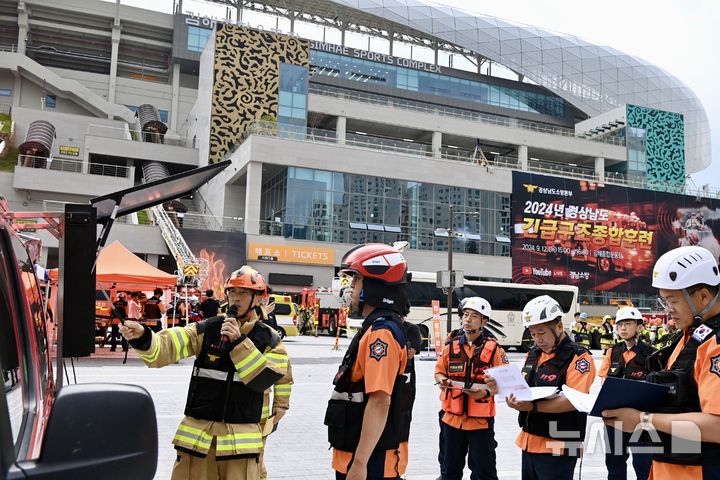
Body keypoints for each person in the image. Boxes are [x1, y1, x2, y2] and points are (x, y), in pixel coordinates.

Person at [120, 266, 291, 480]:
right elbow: (167, 347)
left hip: (241, 447)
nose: (235, 298)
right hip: (199, 444)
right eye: (232, 292)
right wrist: (144, 336)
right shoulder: (208, 329)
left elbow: (265, 378)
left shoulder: (271, 340)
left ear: (257, 299)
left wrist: (239, 344)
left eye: (243, 293)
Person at [602, 246, 720, 479]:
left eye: (672, 301)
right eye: (664, 301)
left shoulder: (715, 343)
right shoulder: (689, 336)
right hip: (668, 465)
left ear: (703, 296)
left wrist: (642, 420)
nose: (667, 310)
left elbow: (716, 427)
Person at [325, 243, 412, 480]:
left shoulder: (381, 334)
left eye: (356, 282)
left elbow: (380, 400)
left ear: (373, 286)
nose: (351, 289)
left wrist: (360, 463)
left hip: (370, 462)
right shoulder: (376, 328)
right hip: (359, 455)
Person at [505, 295, 596, 480]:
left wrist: (532, 407)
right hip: (529, 441)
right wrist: (511, 396)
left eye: (542, 332)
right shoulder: (533, 355)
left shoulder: (579, 357)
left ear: (559, 327)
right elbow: (525, 389)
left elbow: (574, 401)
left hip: (560, 445)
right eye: (532, 333)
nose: (537, 339)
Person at [434, 296, 507, 480]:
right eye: (465, 314)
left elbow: (504, 383)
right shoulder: (451, 345)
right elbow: (438, 372)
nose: (467, 319)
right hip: (451, 420)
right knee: (449, 471)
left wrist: (486, 392)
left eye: (474, 316)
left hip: (480, 423)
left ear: (485, 321)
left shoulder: (495, 349)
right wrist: (442, 380)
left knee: (485, 473)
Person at [598, 306, 656, 480]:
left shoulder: (652, 354)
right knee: (614, 463)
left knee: (643, 464)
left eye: (628, 324)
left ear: (639, 327)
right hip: (614, 418)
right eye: (620, 324)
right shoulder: (612, 352)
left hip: (641, 419)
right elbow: (604, 379)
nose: (623, 328)